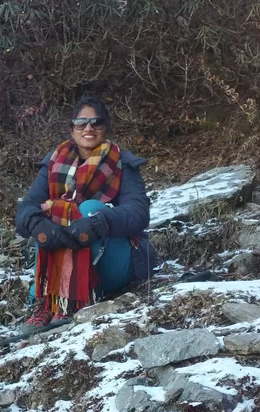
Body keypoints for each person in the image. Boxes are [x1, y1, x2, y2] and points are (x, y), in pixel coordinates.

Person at [15, 96, 158, 334]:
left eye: (96, 122)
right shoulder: (54, 163)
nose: (88, 128)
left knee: (89, 207)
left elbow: (138, 212)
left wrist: (99, 222)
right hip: (66, 258)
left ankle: (73, 300)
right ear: (72, 129)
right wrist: (38, 226)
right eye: (81, 123)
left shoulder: (123, 163)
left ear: (106, 127)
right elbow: (26, 208)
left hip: (113, 260)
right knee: (50, 211)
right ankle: (51, 302)